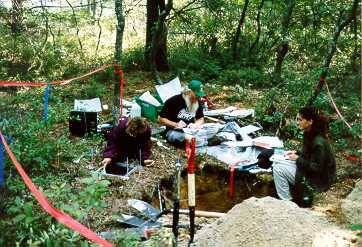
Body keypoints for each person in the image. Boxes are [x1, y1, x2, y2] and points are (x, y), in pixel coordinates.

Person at [272, 106, 336, 205]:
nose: (297, 122)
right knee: (277, 162)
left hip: (318, 180)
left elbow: (317, 168)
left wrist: (297, 159)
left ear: (310, 121)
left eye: (300, 120)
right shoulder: (309, 133)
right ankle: (287, 198)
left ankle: (286, 203)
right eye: (297, 119)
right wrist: (297, 153)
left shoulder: (318, 142)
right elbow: (310, 155)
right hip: (310, 171)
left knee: (277, 168)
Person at [158, 80, 205, 147]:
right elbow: (160, 119)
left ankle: (201, 140)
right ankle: (206, 142)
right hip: (174, 131)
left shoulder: (197, 101)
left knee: (214, 127)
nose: (199, 97)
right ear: (188, 92)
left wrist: (196, 124)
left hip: (191, 130)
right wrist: (175, 124)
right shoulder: (173, 101)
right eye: (196, 95)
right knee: (189, 139)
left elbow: (200, 118)